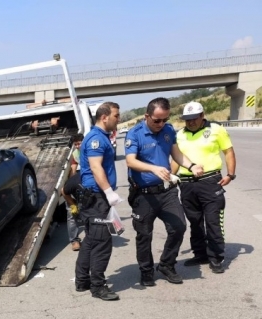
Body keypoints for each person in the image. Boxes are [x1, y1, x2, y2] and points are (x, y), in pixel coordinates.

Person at [124, 97, 203, 287]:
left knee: (178, 227)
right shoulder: (135, 134)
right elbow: (130, 161)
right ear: (147, 116)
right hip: (143, 194)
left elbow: (175, 153)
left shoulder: (168, 130)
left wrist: (191, 165)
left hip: (167, 191)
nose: (161, 124)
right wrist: (153, 168)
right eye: (157, 120)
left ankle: (167, 264)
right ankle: (146, 270)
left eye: (165, 119)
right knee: (144, 234)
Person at [171, 101, 237, 274]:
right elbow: (176, 159)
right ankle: (200, 254)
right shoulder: (180, 135)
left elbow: (228, 151)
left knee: (213, 221)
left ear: (202, 116)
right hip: (186, 184)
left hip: (210, 182)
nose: (190, 122)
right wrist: (171, 178)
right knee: (195, 222)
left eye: (194, 118)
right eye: (187, 119)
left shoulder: (216, 130)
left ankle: (216, 257)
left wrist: (230, 174)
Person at [75, 102, 121, 301]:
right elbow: (96, 167)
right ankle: (98, 287)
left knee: (91, 241)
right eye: (116, 116)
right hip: (97, 198)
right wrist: (109, 192)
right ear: (105, 117)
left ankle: (82, 280)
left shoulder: (100, 136)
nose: (118, 119)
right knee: (102, 242)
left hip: (92, 197)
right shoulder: (96, 139)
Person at [62, 133, 84, 251]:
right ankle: (74, 241)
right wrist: (72, 185)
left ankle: (93, 236)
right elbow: (73, 171)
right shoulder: (75, 154)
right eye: (75, 144)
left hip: (87, 183)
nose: (77, 146)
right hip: (78, 184)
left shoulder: (90, 151)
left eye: (79, 143)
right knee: (71, 213)